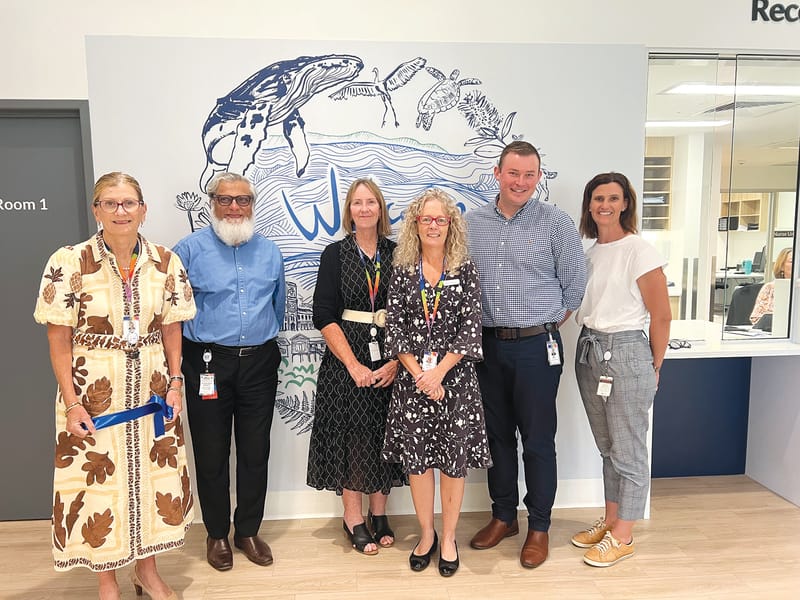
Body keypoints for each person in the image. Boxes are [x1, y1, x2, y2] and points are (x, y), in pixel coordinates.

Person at [34, 172, 196, 600]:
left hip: (153, 395)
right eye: (111, 203)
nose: (120, 212)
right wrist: (71, 403)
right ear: (96, 210)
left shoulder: (166, 262)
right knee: (97, 486)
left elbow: (173, 330)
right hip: (91, 397)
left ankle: (148, 572)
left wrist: (176, 382)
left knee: (153, 481)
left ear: (144, 210)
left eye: (129, 203)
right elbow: (59, 342)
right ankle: (107, 579)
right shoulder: (67, 261)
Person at [466, 140, 587, 568]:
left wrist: (545, 328)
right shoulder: (471, 223)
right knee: (496, 439)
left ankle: (538, 526)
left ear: (538, 177)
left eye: (529, 175)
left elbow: (574, 288)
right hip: (485, 347)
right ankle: (504, 517)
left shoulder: (556, 223)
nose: (521, 182)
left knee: (537, 441)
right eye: (513, 173)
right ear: (497, 174)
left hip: (538, 347)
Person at [173, 172, 285, 571]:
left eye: (243, 200)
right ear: (212, 203)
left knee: (256, 451)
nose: (235, 207)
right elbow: (172, 312)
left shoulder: (270, 251)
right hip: (207, 361)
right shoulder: (186, 251)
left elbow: (278, 306)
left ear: (253, 204)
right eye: (225, 200)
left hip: (260, 361)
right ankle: (217, 534)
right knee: (211, 451)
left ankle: (247, 531)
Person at [383, 188, 491, 577]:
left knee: (452, 463)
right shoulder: (403, 272)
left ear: (451, 225)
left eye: (440, 219)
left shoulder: (465, 269)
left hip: (455, 382)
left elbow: (470, 330)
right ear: (416, 224)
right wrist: (420, 376)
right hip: (413, 383)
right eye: (426, 219)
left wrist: (439, 373)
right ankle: (426, 535)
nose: (433, 225)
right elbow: (394, 332)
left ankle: (448, 537)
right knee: (418, 463)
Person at [572, 172, 670, 567]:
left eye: (613, 198)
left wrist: (655, 364)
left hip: (627, 351)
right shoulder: (589, 251)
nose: (605, 205)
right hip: (590, 349)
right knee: (608, 447)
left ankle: (625, 536)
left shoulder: (640, 251)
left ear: (625, 202)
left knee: (629, 448)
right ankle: (612, 520)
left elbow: (661, 315)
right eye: (598, 198)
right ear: (589, 205)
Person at [306, 178, 405, 555]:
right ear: (349, 211)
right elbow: (324, 315)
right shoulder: (335, 254)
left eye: (371, 202)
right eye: (357, 203)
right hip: (345, 364)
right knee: (353, 439)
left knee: (385, 436)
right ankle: (353, 517)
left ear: (381, 210)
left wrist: (397, 362)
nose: (364, 209)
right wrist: (352, 365)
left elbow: (409, 316)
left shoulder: (398, 254)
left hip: (391, 362)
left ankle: (379, 514)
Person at [750, 248, 793, 325]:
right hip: (773, 331)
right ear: (782, 266)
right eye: (792, 261)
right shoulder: (769, 288)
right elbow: (756, 319)